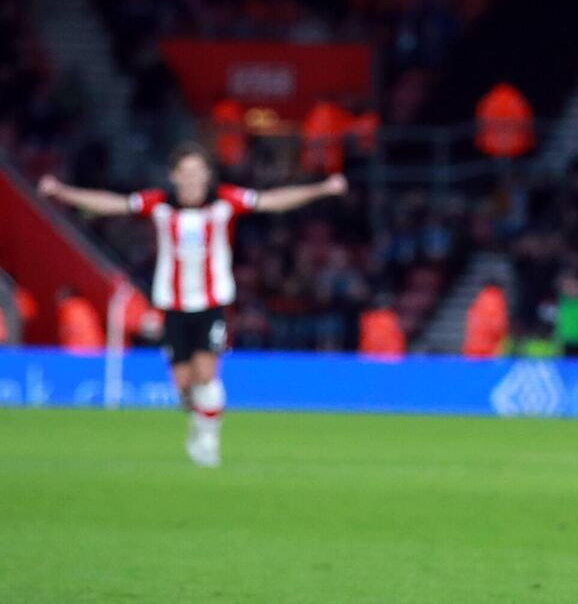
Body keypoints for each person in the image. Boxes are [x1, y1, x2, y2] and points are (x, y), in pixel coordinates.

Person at [39, 141, 347, 467]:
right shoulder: (159, 204)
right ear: (174, 176)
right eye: (185, 172)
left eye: (198, 172)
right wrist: (62, 192)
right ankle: (198, 419)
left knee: (207, 373)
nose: (192, 179)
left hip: (212, 304)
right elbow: (113, 204)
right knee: (184, 386)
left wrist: (321, 189)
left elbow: (272, 201)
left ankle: (208, 441)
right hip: (173, 306)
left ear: (207, 175)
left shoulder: (225, 201)